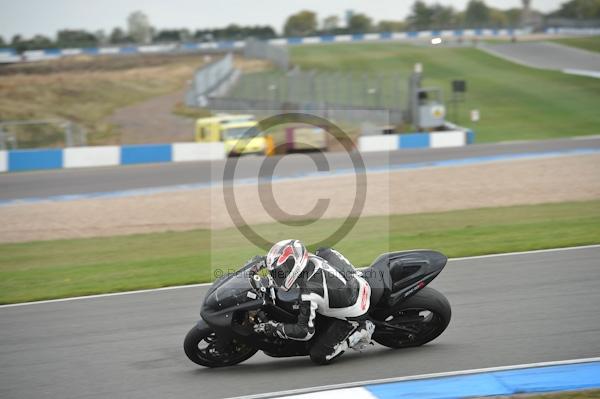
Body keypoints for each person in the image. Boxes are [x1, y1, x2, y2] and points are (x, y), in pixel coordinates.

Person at [252, 239, 375, 364]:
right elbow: (277, 259)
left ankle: (363, 330)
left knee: (319, 355)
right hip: (351, 284)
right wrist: (256, 265)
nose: (276, 276)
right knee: (324, 251)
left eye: (281, 272)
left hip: (354, 311)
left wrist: (275, 328)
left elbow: (305, 332)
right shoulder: (306, 259)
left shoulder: (309, 292)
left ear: (295, 267)